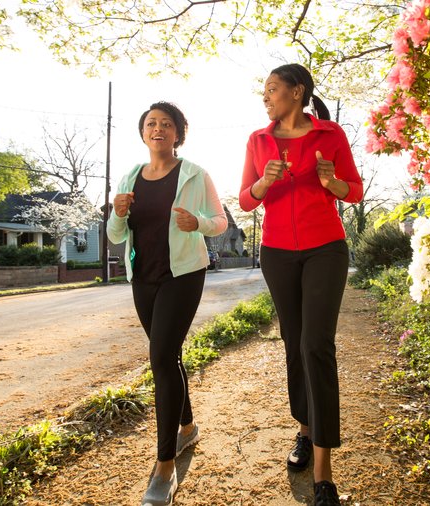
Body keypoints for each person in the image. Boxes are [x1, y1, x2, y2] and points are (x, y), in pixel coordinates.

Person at [238, 64, 363, 506]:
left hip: (325, 247)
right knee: (294, 343)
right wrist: (263, 182)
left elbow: (355, 191)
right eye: (264, 91)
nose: (266, 97)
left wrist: (332, 182)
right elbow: (245, 200)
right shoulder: (258, 140)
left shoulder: (330, 134)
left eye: (272, 89)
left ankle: (324, 472)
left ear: (297, 91)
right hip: (277, 252)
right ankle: (305, 431)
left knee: (316, 345)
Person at [108, 101, 226, 506]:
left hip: (184, 274)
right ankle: (187, 428)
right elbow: (116, 235)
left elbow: (220, 221)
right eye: (151, 123)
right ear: (143, 132)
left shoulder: (194, 174)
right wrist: (117, 214)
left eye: (166, 124)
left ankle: (164, 468)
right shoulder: (129, 176)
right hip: (143, 277)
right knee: (169, 357)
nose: (157, 128)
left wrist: (198, 223)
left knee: (160, 359)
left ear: (178, 133)